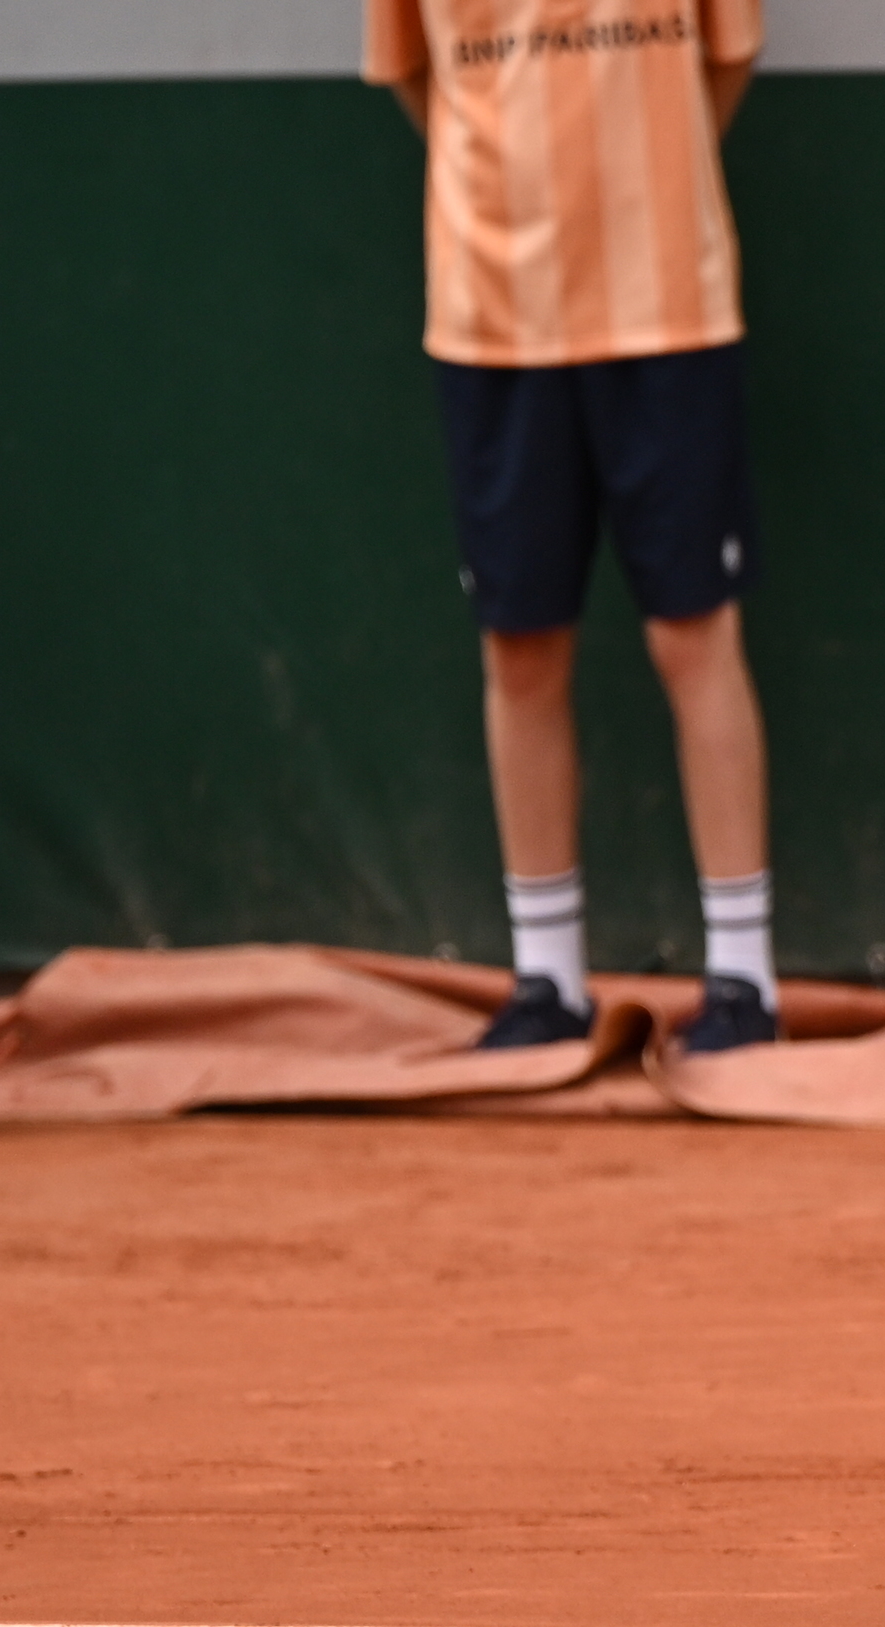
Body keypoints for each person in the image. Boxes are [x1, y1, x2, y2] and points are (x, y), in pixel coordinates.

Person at [365, 0, 783, 1052]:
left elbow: (727, 62)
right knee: (519, 644)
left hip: (671, 309)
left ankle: (742, 979)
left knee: (694, 633)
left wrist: (647, 197)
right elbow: (421, 83)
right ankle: (545, 981)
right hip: (491, 320)